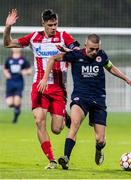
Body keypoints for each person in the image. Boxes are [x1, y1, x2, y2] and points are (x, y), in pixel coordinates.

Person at [37, 34, 131, 170]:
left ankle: (99, 149)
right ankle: (66, 158)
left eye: (96, 49)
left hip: (99, 99)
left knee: (100, 139)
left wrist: (127, 79)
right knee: (75, 124)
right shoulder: (75, 55)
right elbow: (54, 58)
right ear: (85, 45)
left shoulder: (102, 56)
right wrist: (44, 77)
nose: (94, 52)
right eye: (91, 49)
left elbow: (111, 67)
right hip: (81, 98)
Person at [3, 9, 80, 169]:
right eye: (50, 25)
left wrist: (68, 51)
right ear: (43, 24)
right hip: (40, 86)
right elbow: (7, 43)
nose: (53, 28)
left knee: (57, 129)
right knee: (39, 121)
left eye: (55, 24)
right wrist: (8, 27)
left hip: (59, 88)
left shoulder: (63, 36)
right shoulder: (34, 37)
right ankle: (51, 160)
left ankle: (63, 115)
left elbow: (77, 51)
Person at [3, 48, 32, 123]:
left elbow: (29, 70)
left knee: (16, 101)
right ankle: (17, 108)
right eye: (14, 47)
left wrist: (25, 72)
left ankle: (16, 116)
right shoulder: (9, 59)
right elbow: (5, 69)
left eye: (17, 47)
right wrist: (6, 74)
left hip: (19, 82)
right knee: (10, 103)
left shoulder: (23, 60)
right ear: (12, 49)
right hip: (10, 82)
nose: (15, 48)